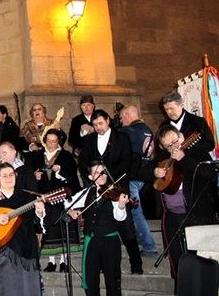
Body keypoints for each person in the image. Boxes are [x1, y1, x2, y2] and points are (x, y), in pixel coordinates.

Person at [139, 125, 216, 280]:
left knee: (201, 260)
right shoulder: (162, 157)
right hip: (172, 217)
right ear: (162, 146)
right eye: (169, 146)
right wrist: (154, 172)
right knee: (177, 259)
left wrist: (184, 159)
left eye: (175, 142)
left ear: (180, 136)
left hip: (197, 215)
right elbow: (141, 172)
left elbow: (210, 174)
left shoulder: (197, 151)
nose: (173, 147)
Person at [79, 108, 143, 273]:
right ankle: (101, 264)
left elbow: (127, 161)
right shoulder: (89, 140)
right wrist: (93, 180)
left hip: (117, 185)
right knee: (99, 226)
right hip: (97, 188)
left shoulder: (121, 137)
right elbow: (83, 162)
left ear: (108, 120)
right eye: (95, 125)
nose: (98, 127)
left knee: (126, 226)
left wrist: (109, 178)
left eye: (101, 123)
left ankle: (136, 263)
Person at [0, 163, 46, 296]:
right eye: (4, 175)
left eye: (11, 175)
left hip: (24, 252)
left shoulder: (27, 198)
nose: (8, 178)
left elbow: (38, 226)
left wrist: (40, 212)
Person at [67, 162, 129, 296]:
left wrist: (122, 206)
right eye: (97, 173)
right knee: (91, 279)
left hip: (110, 240)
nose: (101, 175)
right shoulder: (86, 192)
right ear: (90, 177)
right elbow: (68, 203)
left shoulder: (114, 191)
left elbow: (120, 218)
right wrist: (71, 211)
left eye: (103, 172)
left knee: (112, 280)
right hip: (92, 241)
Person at [34, 129, 81, 272]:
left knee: (61, 228)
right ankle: (51, 262)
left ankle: (64, 261)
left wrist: (59, 170)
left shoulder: (66, 156)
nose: (51, 144)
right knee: (48, 228)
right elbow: (31, 172)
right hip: (44, 197)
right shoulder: (37, 155)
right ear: (44, 141)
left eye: (54, 141)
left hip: (61, 196)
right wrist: (35, 175)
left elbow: (72, 177)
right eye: (48, 141)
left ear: (59, 142)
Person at [118, 105, 158, 255]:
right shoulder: (147, 129)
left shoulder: (128, 131)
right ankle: (142, 240)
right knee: (135, 211)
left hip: (133, 176)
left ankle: (149, 245)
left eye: (122, 118)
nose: (121, 121)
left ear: (128, 115)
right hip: (144, 175)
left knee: (136, 212)